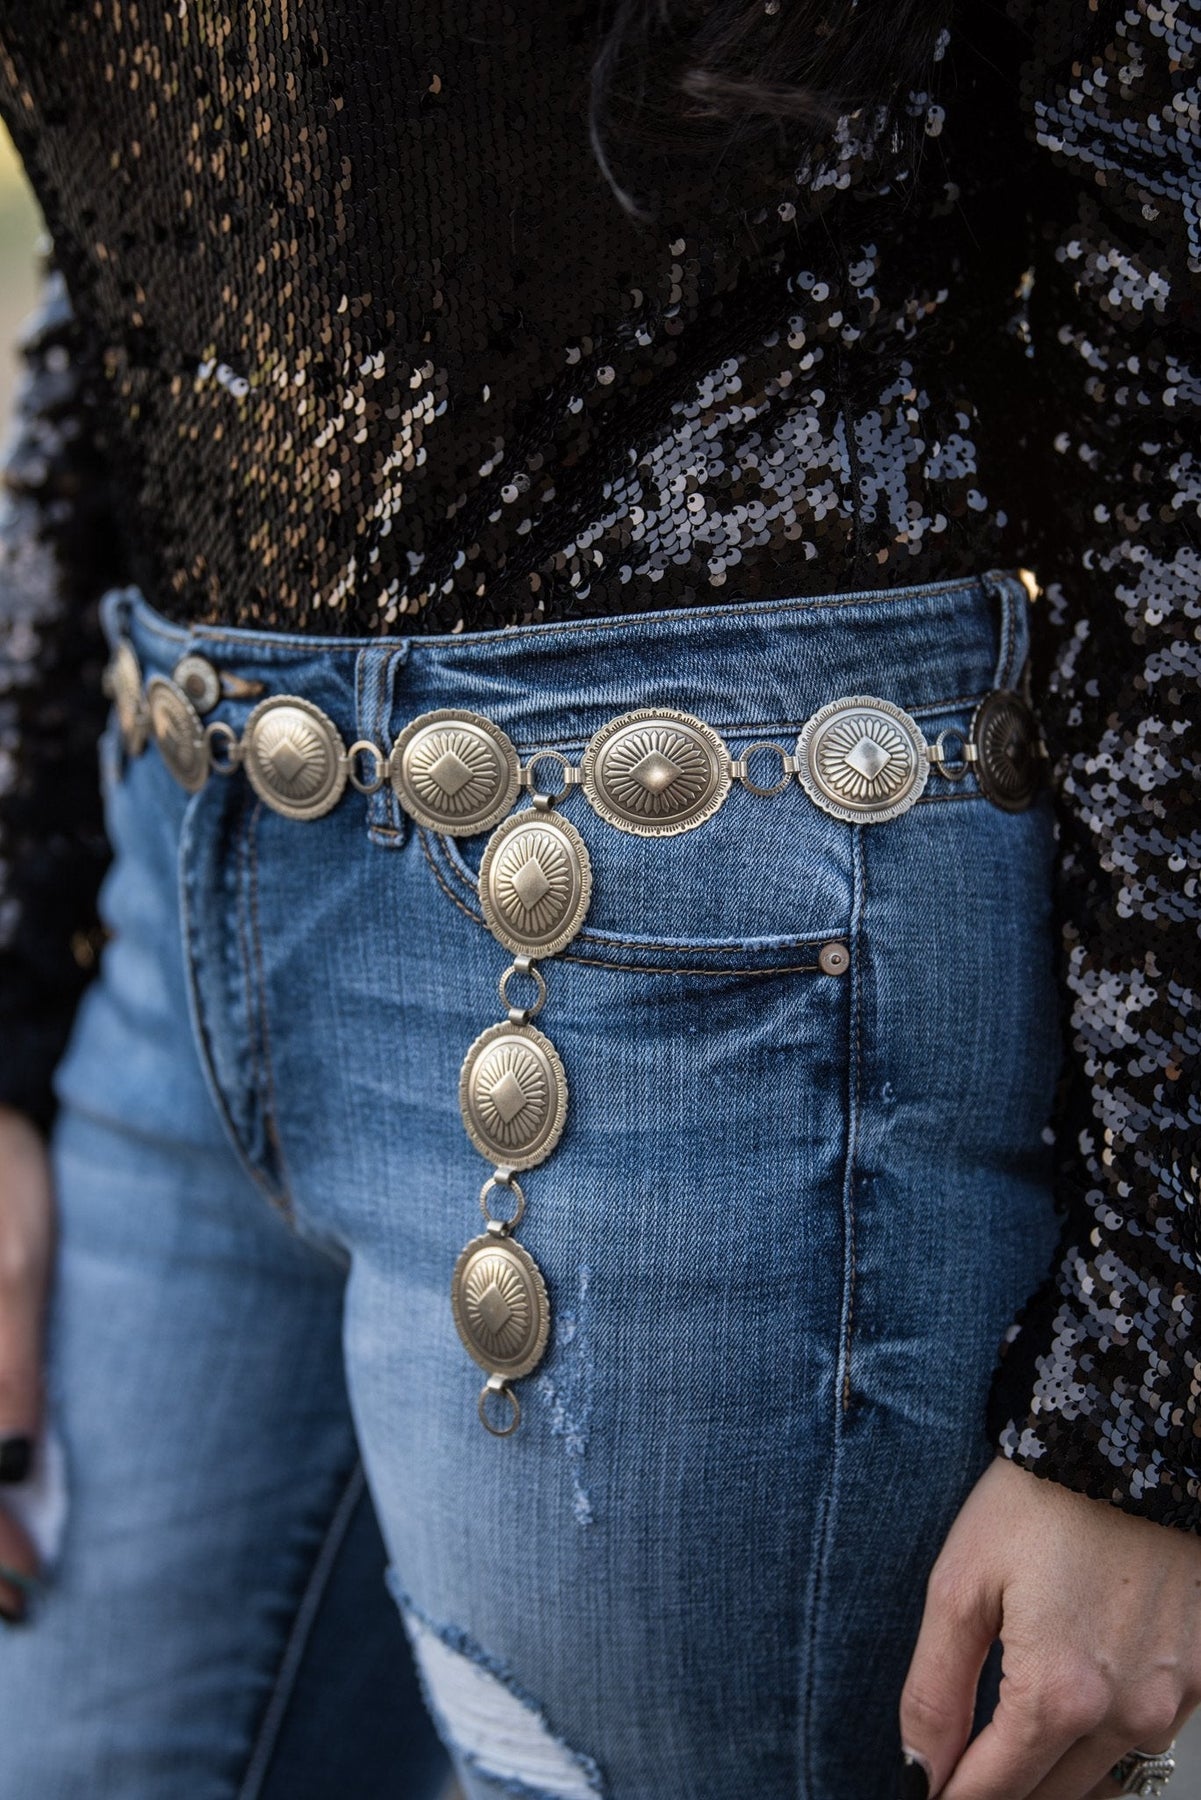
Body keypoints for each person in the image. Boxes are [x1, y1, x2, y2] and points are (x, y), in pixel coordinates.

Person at [0, 1, 1196, 1796]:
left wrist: (1154, 1377)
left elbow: (1166, 279)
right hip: (176, 888)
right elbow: (163, 221)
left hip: (714, 946)